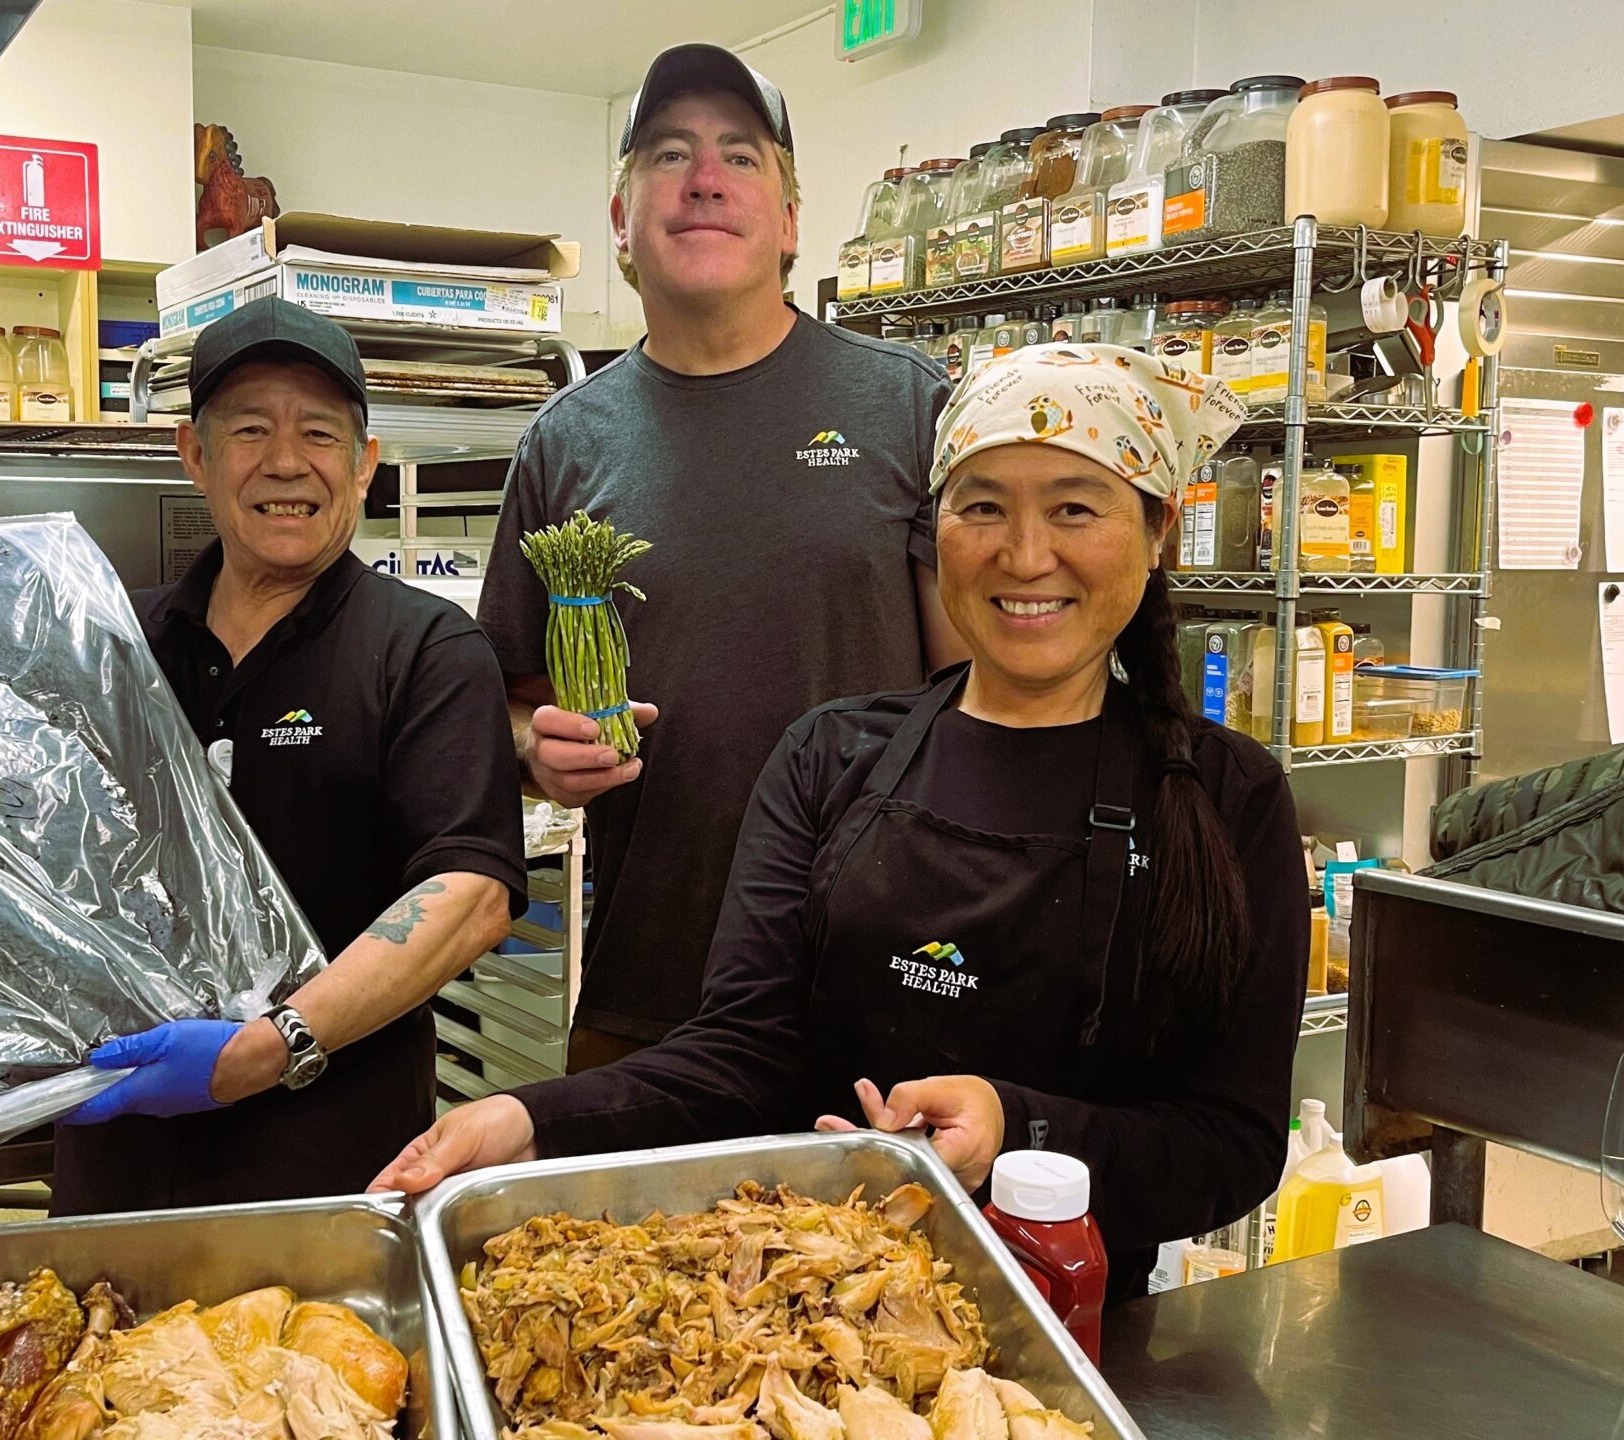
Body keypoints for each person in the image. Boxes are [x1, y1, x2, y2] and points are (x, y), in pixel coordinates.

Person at [380, 344, 1307, 1304]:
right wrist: (527, 1123)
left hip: (1076, 1319)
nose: (1026, 554)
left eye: (1075, 507)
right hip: (803, 1301)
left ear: (1157, 533)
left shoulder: (1225, 797)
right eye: (981, 504)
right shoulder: (832, 755)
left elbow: (1230, 1144)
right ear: (934, 525)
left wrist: (1016, 1127)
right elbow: (741, 1051)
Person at [480, 43, 962, 1071]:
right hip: (646, 991)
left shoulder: (905, 406)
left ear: (789, 221)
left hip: (878, 992)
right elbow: (512, 693)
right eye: (668, 154)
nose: (703, 178)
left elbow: (974, 697)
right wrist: (537, 750)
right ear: (621, 220)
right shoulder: (564, 441)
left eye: (741, 157)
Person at [48, 297, 526, 1211]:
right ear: (194, 454)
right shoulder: (109, 643)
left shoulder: (424, 651)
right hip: (115, 1177)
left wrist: (262, 1052)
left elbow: (472, 897)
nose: (285, 462)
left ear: (364, 463)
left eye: (318, 432)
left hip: (334, 1184)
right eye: (250, 430)